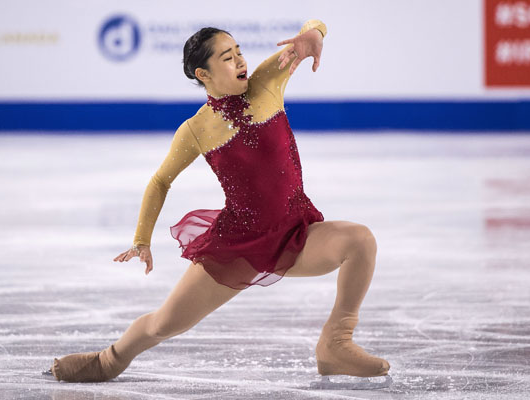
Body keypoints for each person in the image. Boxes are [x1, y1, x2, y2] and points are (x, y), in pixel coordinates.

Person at [47, 18, 390, 384]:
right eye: (228, 57)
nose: (240, 61)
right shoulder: (196, 129)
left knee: (360, 241)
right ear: (203, 73)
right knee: (164, 324)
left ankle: (335, 343)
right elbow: (161, 180)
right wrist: (142, 240)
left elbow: (311, 33)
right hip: (238, 246)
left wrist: (314, 34)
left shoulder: (267, 83)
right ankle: (109, 360)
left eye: (240, 51)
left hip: (295, 232)